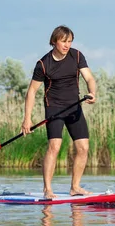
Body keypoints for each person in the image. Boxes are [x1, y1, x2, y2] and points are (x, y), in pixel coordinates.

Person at [21, 25, 96, 199]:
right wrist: (27, 119)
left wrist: (92, 92)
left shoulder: (76, 56)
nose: (67, 45)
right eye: (63, 41)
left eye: (69, 41)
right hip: (54, 108)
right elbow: (31, 91)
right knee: (54, 146)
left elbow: (89, 78)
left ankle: (75, 187)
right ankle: (47, 189)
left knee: (83, 147)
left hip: (74, 107)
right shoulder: (43, 64)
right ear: (54, 41)